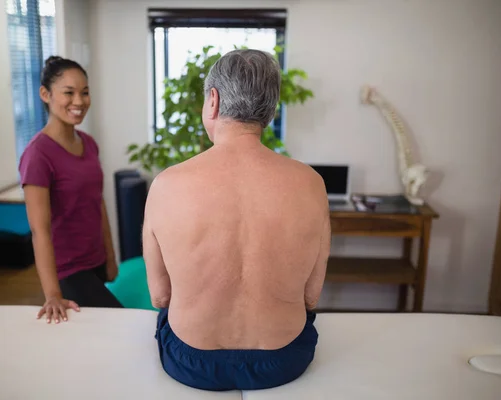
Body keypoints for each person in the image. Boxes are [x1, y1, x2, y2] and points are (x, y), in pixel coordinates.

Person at [143, 49, 331, 391]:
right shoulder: (312, 184)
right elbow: (311, 297)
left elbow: (160, 297)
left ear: (212, 101)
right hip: (284, 360)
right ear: (270, 110)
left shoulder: (166, 184)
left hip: (191, 362)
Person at [20, 56, 123, 324]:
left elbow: (97, 202)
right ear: (45, 94)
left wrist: (110, 257)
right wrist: (52, 294)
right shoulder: (37, 154)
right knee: (120, 325)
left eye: (85, 92)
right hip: (66, 270)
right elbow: (39, 230)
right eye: (69, 92)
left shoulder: (88, 143)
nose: (79, 101)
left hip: (95, 260)